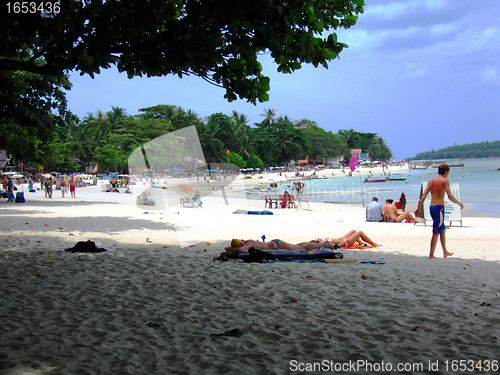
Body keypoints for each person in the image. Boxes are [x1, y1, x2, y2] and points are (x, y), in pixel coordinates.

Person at [415, 164, 464, 258]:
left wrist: (419, 208)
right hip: (439, 208)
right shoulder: (444, 181)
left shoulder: (431, 181)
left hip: (432, 207)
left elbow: (424, 196)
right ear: (446, 172)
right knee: (436, 231)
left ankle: (445, 251)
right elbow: (450, 196)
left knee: (442, 229)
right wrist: (459, 203)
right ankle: (431, 254)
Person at [223, 238, 334, 257]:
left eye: (241, 242)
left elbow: (240, 250)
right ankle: (317, 243)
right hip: (275, 244)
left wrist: (230, 251)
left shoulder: (249, 243)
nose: (242, 244)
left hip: (277, 245)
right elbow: (227, 248)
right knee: (299, 246)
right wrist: (230, 248)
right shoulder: (247, 241)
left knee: (303, 248)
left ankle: (323, 244)